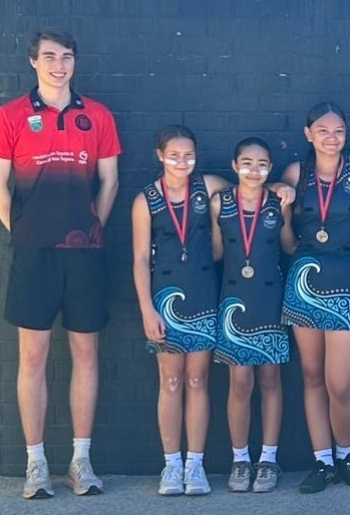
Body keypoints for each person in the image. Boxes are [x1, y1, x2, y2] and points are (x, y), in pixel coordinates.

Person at [0, 31, 120, 500]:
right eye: (49, 57)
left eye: (66, 57)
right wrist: (23, 230)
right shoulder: (10, 115)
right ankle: (35, 464)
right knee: (33, 357)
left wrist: (91, 227)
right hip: (33, 254)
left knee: (87, 355)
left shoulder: (97, 115)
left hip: (85, 255)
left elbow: (110, 180)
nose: (58, 65)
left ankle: (81, 462)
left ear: (75, 62)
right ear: (33, 62)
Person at [280, 102, 350, 493]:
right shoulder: (294, 174)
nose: (331, 137)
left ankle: (346, 455)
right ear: (308, 134)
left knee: (340, 382)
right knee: (311, 377)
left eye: (338, 130)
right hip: (304, 283)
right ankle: (322, 461)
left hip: (349, 283)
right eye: (322, 130)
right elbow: (287, 243)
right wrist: (285, 212)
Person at [132, 126, 224, 496]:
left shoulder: (208, 186)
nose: (182, 162)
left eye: (188, 155)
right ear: (160, 155)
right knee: (170, 381)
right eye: (174, 155)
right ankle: (171, 464)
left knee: (198, 380)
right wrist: (146, 310)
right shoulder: (146, 200)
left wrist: (278, 190)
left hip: (203, 293)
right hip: (165, 299)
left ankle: (195, 465)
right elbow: (139, 259)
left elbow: (251, 185)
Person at [212, 138, 296, 494]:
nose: (254, 170)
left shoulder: (279, 203)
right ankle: (240, 458)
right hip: (233, 299)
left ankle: (268, 459)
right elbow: (215, 253)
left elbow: (289, 245)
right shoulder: (221, 203)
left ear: (270, 168)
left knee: (270, 380)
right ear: (234, 166)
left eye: (262, 164)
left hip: (269, 297)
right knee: (240, 382)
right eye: (246, 162)